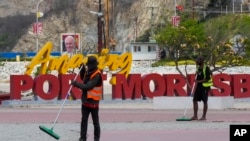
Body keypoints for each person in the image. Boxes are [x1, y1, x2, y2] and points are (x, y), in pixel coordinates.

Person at [71, 56, 103, 141]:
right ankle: (82, 138)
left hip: (93, 103)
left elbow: (88, 86)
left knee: (95, 122)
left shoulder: (97, 74)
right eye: (87, 65)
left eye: (89, 65)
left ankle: (96, 139)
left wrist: (76, 84)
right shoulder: (88, 71)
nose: (88, 66)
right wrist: (82, 70)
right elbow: (84, 79)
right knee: (84, 121)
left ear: (94, 65)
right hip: (85, 101)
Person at [191, 56, 212, 121]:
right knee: (194, 100)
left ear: (202, 61)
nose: (196, 61)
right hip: (199, 86)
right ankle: (195, 116)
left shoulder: (206, 68)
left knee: (204, 101)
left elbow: (207, 79)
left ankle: (204, 116)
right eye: (196, 60)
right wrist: (196, 74)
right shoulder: (198, 67)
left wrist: (198, 81)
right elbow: (198, 75)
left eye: (198, 60)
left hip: (205, 87)